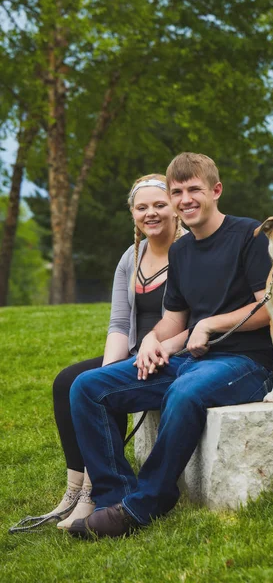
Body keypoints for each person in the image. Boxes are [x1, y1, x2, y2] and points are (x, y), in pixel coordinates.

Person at [68, 152, 273, 539]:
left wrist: (210, 325)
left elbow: (270, 306)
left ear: (216, 190)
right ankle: (117, 497)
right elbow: (175, 320)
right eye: (177, 191)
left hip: (248, 362)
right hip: (191, 358)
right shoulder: (181, 251)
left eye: (194, 189)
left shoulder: (250, 235)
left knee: (184, 391)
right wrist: (151, 340)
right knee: (88, 387)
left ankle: (146, 503)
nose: (185, 199)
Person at [49, 173, 185, 529]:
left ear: (175, 207)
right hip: (134, 351)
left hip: (170, 353)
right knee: (68, 381)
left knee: (99, 386)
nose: (151, 213)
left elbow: (199, 318)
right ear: (133, 214)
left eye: (159, 204)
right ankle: (76, 488)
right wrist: (109, 369)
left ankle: (97, 490)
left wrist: (155, 351)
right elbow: (119, 322)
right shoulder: (132, 255)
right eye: (142, 208)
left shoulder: (190, 251)